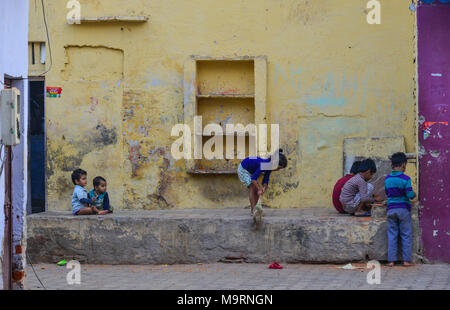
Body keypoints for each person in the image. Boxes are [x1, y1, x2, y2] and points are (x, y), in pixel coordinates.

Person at [237, 149, 288, 226]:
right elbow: (254, 179)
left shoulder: (269, 166)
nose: (278, 170)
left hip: (251, 172)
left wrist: (263, 187)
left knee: (256, 189)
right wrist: (259, 189)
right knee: (252, 188)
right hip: (243, 169)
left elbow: (266, 179)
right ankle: (253, 211)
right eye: (279, 168)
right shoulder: (264, 164)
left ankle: (257, 210)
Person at [385, 152, 415, 267]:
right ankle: (406, 260)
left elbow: (387, 193)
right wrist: (413, 195)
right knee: (405, 234)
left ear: (392, 165)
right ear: (403, 165)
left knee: (392, 234)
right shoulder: (406, 178)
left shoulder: (387, 179)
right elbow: (409, 193)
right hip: (403, 209)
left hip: (391, 209)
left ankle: (391, 261)